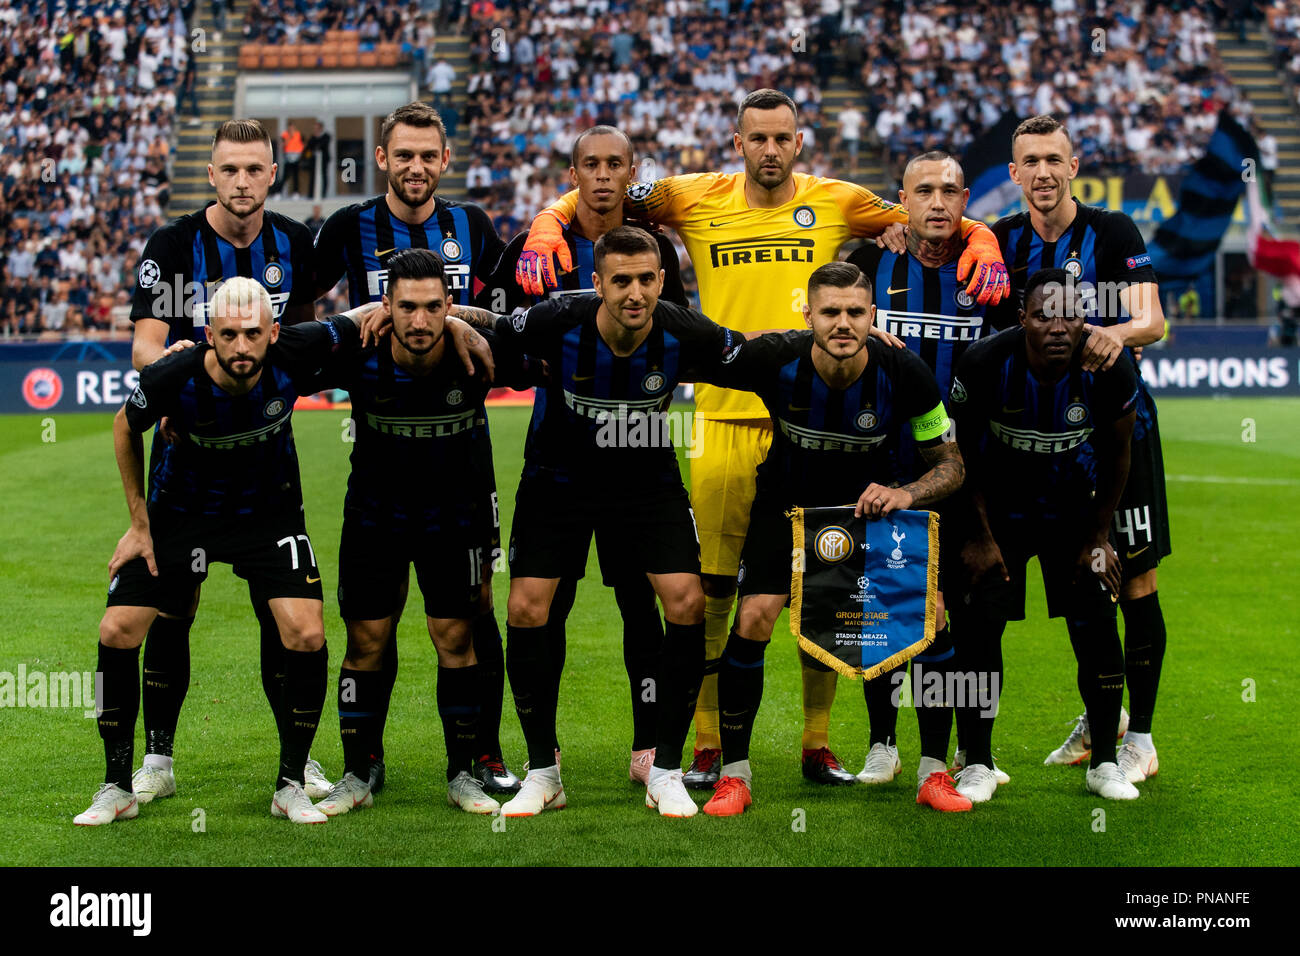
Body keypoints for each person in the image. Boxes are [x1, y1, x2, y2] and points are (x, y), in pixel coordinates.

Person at [513, 88, 1009, 792]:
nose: (770, 149)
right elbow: (606, 187)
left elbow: (937, 215)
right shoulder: (692, 195)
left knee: (824, 590)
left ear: (798, 143)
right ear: (737, 141)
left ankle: (815, 743)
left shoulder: (837, 199)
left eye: (783, 138)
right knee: (712, 592)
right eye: (758, 138)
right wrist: (545, 223)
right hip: (720, 416)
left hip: (813, 428)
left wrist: (984, 238)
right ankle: (710, 746)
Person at [451, 226, 760, 818]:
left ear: (662, 281)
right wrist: (445, 315)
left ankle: (665, 770)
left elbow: (756, 352)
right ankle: (544, 773)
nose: (635, 292)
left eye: (646, 279)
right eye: (621, 280)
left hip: (646, 484)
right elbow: (490, 321)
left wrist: (839, 334)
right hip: (558, 481)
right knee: (526, 608)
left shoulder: (683, 328)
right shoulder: (558, 318)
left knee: (687, 604)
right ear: (598, 284)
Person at [79, 280, 359, 826]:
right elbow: (123, 425)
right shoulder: (173, 375)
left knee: (305, 632)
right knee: (117, 630)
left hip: (268, 517)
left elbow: (367, 315)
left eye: (253, 334)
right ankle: (117, 785)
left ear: (273, 332)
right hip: (182, 517)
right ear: (208, 335)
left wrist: (461, 321)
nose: (240, 347)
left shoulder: (298, 351)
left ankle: (290, 782)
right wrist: (139, 524)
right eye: (227, 335)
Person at [695, 261, 965, 817]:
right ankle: (734, 776)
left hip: (874, 511)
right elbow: (696, 350)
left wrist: (907, 494)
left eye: (854, 312)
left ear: (873, 315)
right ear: (808, 314)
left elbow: (952, 465)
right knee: (753, 618)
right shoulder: (775, 358)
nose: (843, 323)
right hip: (787, 510)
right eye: (830, 312)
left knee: (933, 620)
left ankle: (934, 773)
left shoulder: (906, 371)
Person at [313, 102, 515, 796]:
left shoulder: (473, 226)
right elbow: (296, 315)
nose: (417, 167)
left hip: (463, 463)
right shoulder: (348, 228)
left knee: (471, 611)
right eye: (404, 155)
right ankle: (362, 766)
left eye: (428, 155)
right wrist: (355, 319)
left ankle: (479, 756)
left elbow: (512, 311)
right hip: (379, 456)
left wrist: (458, 317)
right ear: (383, 158)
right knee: (369, 625)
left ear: (445, 159)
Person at [476, 125, 685, 785]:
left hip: (641, 449)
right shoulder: (532, 248)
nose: (602, 176)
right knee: (546, 603)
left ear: (631, 174)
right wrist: (545, 368)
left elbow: (674, 335)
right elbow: (500, 336)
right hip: (559, 450)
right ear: (572, 174)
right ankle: (548, 754)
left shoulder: (659, 251)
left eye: (614, 164)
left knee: (641, 603)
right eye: (589, 164)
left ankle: (649, 748)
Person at [126, 119, 326, 806]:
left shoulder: (294, 243)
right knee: (173, 607)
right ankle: (157, 760)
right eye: (229, 170)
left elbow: (300, 343)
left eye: (254, 169)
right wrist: (198, 371)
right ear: (210, 175)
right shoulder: (173, 246)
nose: (242, 181)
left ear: (273, 174)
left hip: (268, 463)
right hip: (188, 458)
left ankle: (296, 766)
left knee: (286, 615)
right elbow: (145, 352)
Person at [990, 115, 1168, 783]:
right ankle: (1099, 720)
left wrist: (1098, 333)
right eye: (1029, 160)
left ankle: (1140, 738)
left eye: (1053, 159)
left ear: (1074, 165)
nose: (1042, 171)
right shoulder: (999, 241)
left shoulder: (1113, 231)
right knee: (1072, 583)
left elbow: (1152, 320)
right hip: (1035, 441)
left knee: (1135, 579)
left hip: (1118, 429)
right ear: (1014, 173)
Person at [947, 268, 1141, 801]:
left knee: (1099, 628)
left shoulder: (1108, 365)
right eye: (1044, 315)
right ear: (1022, 319)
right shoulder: (985, 362)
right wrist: (978, 537)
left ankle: (1104, 761)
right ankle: (978, 762)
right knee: (979, 630)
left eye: (1071, 314)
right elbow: (956, 456)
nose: (1058, 327)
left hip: (1075, 514)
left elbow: (1120, 453)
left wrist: (1100, 536)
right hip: (997, 512)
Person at [847, 149, 1005, 804]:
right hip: (883, 469)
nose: (937, 203)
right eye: (923, 191)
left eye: (948, 191)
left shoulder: (988, 277)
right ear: (901, 201)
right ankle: (883, 741)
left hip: (968, 474)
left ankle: (965, 754)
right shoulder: (868, 265)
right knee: (882, 608)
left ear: (966, 200)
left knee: (970, 618)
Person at [306, 121, 332, 200]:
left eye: (317, 128)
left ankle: (323, 193)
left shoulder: (327, 136)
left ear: (321, 128)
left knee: (324, 175)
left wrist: (316, 145)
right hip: (314, 160)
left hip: (323, 160)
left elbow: (322, 145)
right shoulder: (313, 137)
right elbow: (309, 146)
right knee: (313, 176)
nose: (315, 130)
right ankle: (311, 194)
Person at [280, 123, 304, 198]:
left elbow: (302, 144)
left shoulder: (298, 134)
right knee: (285, 176)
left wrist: (300, 153)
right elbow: (282, 144)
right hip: (288, 157)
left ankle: (296, 193)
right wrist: (289, 137)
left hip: (296, 157)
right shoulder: (285, 135)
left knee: (295, 176)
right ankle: (278, 192)